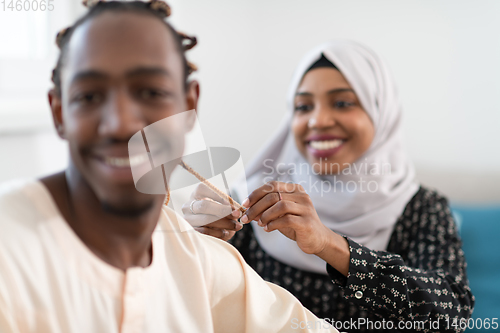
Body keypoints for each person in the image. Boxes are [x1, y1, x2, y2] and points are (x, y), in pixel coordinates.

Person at [0, 1, 342, 332]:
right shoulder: (11, 249)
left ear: (189, 104)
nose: (120, 123)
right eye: (89, 96)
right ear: (59, 113)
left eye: (150, 92)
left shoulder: (195, 258)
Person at [184, 41, 474, 332]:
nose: (318, 120)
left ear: (380, 112)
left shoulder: (421, 208)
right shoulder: (254, 199)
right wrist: (200, 245)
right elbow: (196, 304)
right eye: (303, 106)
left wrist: (329, 244)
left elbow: (451, 316)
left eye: (343, 102)